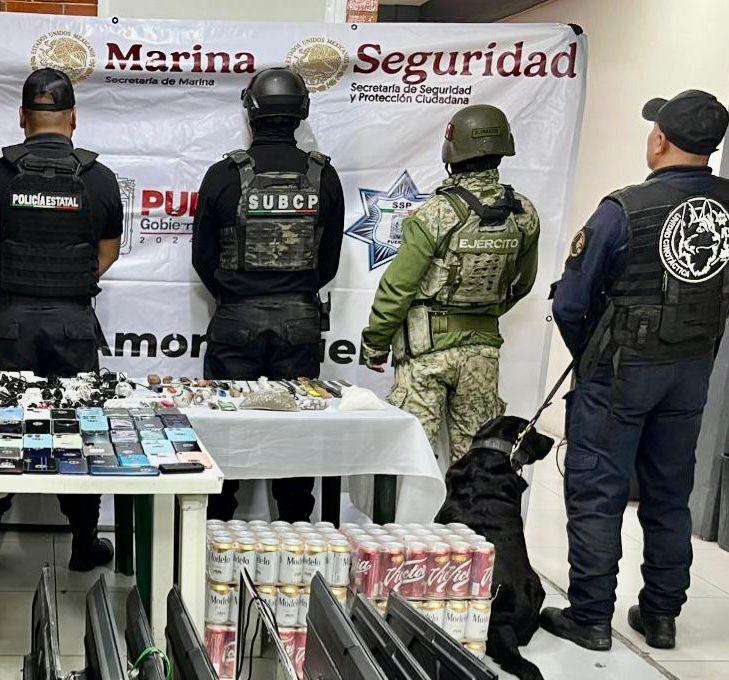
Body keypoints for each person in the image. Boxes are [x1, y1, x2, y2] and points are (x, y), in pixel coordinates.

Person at [542, 90, 729, 652]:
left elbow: (570, 303)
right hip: (690, 371)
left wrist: (592, 356)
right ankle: (662, 615)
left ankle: (591, 617)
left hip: (620, 373)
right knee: (670, 493)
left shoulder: (623, 209)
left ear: (661, 140)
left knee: (597, 490)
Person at [0, 68, 123, 572]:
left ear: (22, 117)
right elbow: (109, 252)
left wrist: (23, 284)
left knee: (2, 428)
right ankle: (83, 543)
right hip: (73, 322)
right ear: (73, 118)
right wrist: (67, 283)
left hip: (12, 320)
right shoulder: (99, 179)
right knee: (79, 429)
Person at [192, 67, 344, 523]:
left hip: (235, 321)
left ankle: (215, 536)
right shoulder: (324, 177)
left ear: (251, 113)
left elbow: (203, 258)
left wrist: (239, 295)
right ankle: (296, 539)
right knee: (295, 441)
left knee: (225, 434)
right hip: (299, 323)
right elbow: (328, 263)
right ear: (302, 112)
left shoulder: (224, 175)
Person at [360, 104, 540, 464]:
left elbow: (398, 287)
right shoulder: (523, 213)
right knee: (477, 462)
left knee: (412, 460)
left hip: (425, 353)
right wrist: (482, 312)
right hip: (482, 354)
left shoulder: (435, 214)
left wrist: (376, 343)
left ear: (452, 151)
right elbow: (521, 284)